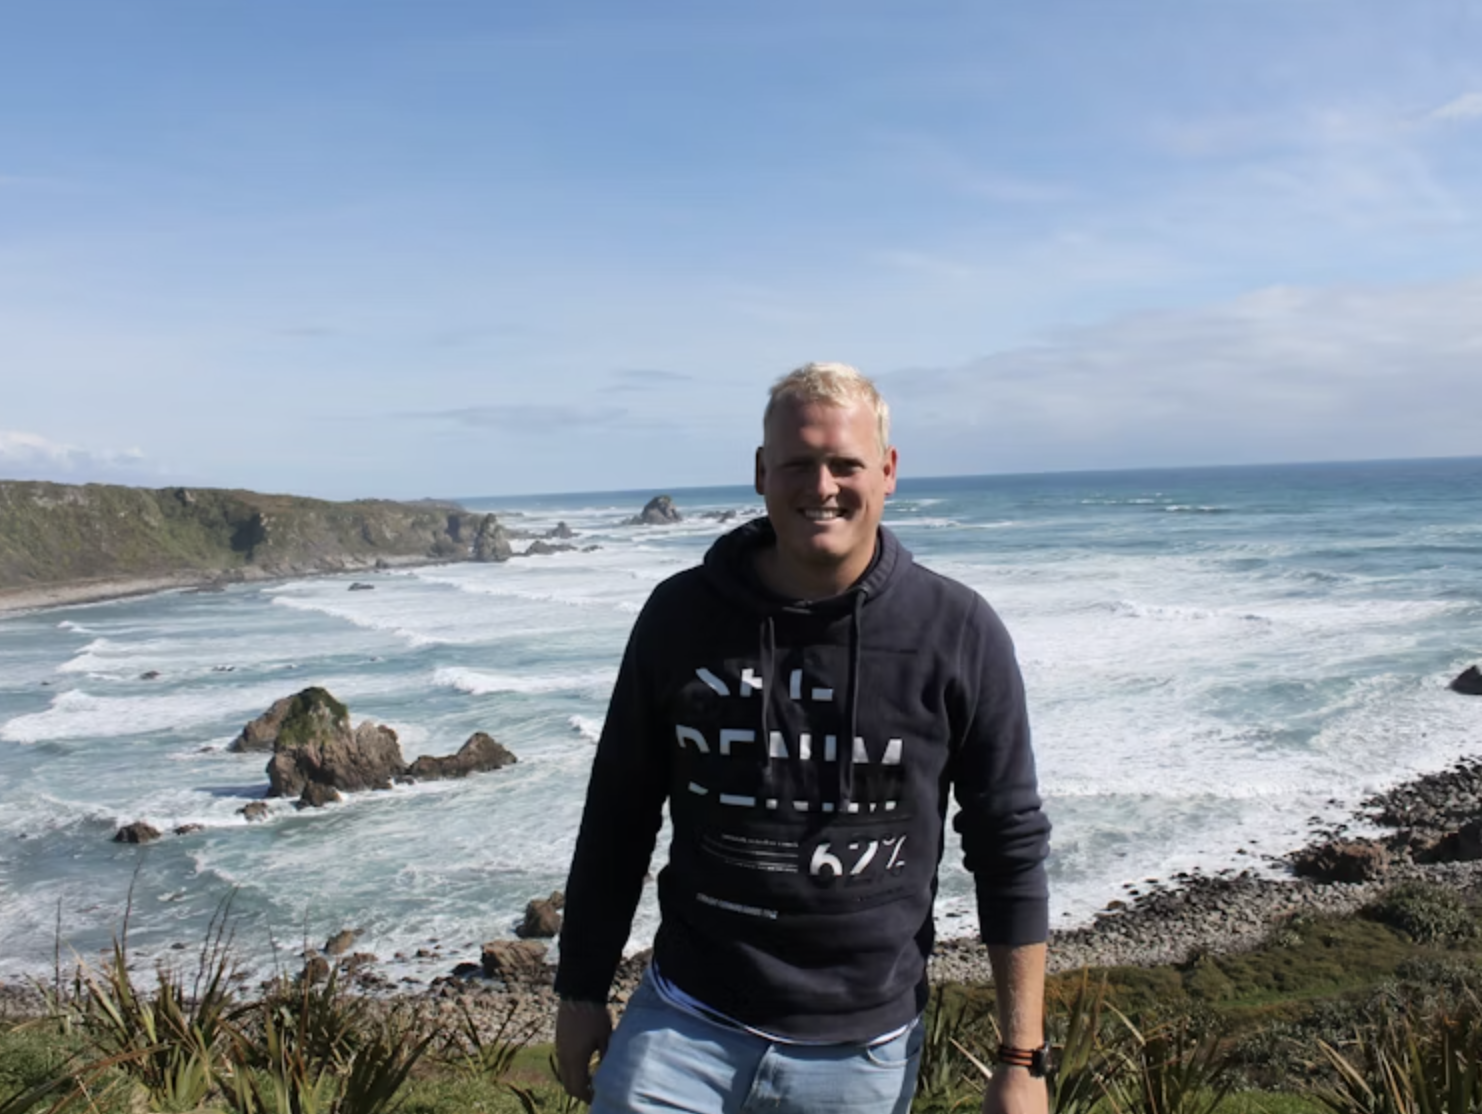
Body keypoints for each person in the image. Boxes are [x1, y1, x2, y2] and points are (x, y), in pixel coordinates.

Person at [554, 362, 1051, 1114]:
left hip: (863, 1051)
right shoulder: (680, 617)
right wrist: (581, 989)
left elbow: (1007, 842)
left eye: (845, 463)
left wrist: (1021, 1059)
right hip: (682, 1025)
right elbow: (619, 816)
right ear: (761, 473)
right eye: (798, 463)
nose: (822, 486)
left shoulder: (958, 633)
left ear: (887, 472)